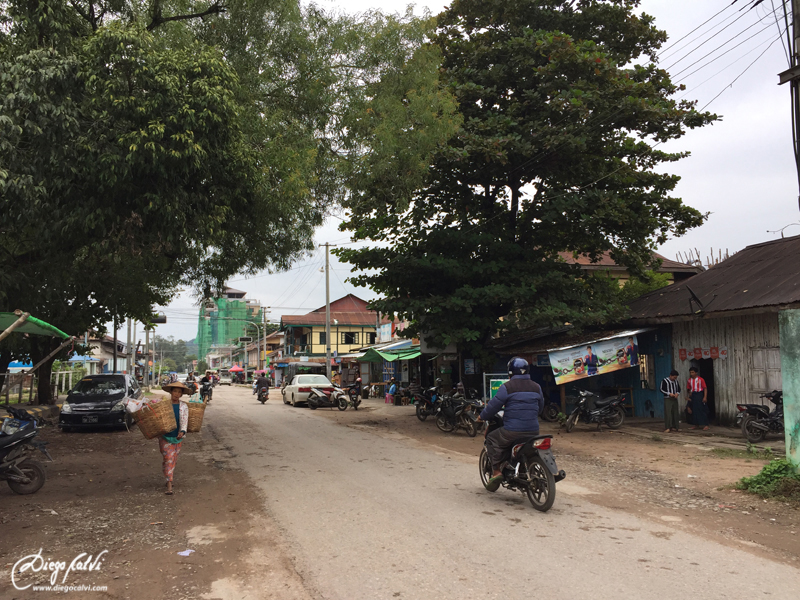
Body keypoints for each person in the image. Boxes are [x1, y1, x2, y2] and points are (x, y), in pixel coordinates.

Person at [476, 357, 544, 492]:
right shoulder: (537, 387)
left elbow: (493, 407)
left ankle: (496, 472)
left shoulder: (507, 387)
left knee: (492, 439)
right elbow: (540, 408)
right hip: (533, 431)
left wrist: (481, 417)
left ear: (511, 373)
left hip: (513, 431)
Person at [160, 381, 190, 495]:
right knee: (168, 458)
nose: (176, 394)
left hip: (177, 437)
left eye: (179, 392)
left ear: (181, 394)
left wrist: (182, 431)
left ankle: (168, 476)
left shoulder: (184, 406)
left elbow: (185, 420)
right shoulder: (164, 405)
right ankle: (169, 484)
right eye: (175, 391)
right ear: (171, 392)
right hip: (165, 437)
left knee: (173, 459)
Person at [687, 367, 709, 431]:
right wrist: (689, 393)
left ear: (696, 372)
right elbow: (688, 388)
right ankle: (696, 424)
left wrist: (705, 397)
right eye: (690, 372)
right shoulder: (689, 380)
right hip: (693, 395)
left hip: (699, 394)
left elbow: (705, 388)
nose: (691, 374)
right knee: (694, 409)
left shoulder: (700, 379)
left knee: (702, 409)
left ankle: (706, 424)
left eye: (693, 372)